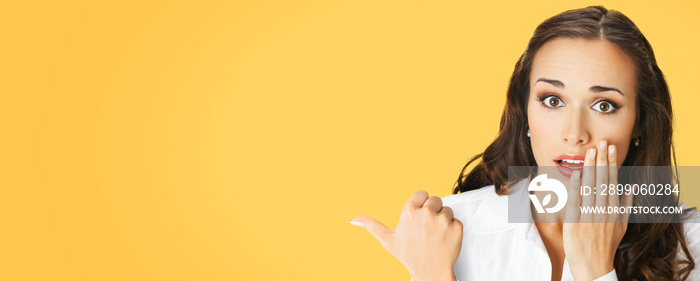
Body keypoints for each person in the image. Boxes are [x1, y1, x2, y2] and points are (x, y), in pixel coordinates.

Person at [350, 6, 700, 281]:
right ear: (525, 112)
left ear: (639, 123)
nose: (574, 133)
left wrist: (596, 271)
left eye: (604, 105)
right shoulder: (453, 230)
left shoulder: (691, 245)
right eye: (552, 100)